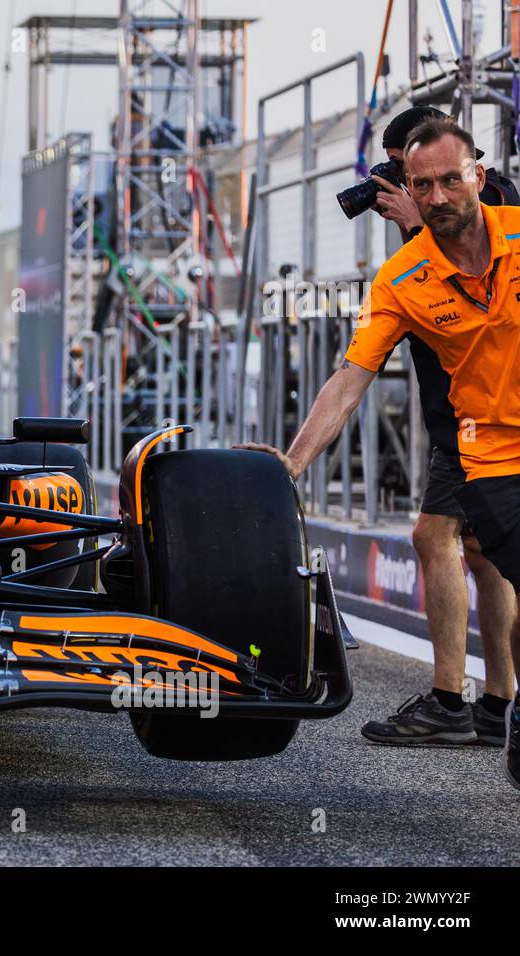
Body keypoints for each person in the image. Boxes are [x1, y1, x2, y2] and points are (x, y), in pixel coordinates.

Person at [240, 117, 520, 790]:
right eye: (421, 185)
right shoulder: (400, 279)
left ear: (479, 177)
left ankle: (495, 706)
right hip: (487, 457)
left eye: (451, 180)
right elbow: (349, 379)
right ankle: (481, 706)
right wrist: (291, 464)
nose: (437, 196)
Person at [358, 106, 517, 746]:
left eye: (435, 177)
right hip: (458, 410)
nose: (427, 191)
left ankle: (452, 699)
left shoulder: (492, 202)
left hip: (478, 418)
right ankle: (498, 703)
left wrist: (414, 220)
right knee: (484, 553)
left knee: (434, 536)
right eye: (413, 180)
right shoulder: (424, 235)